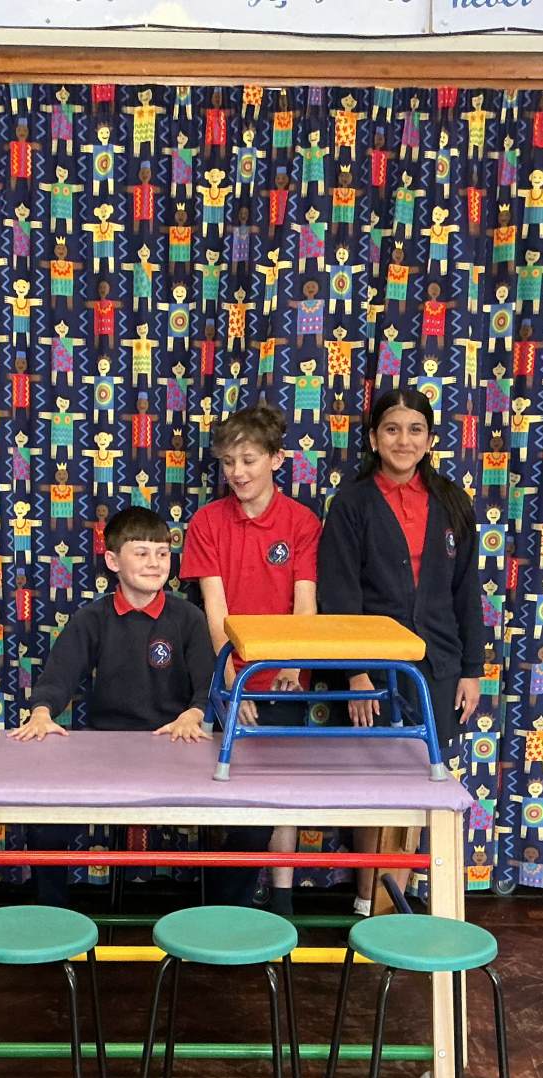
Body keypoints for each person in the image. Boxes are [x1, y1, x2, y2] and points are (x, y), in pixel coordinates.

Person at [15, 506, 258, 908]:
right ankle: (51, 916)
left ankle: (225, 916)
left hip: (178, 746)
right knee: (44, 820)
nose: (154, 563)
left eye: (162, 553)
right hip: (107, 747)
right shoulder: (92, 618)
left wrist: (194, 713)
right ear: (113, 561)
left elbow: (208, 685)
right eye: (141, 553)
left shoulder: (188, 617)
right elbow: (58, 677)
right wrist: (41, 712)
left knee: (251, 823)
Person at [318, 387, 485, 913]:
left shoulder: (451, 502)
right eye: (392, 429)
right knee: (375, 782)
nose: (403, 440)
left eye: (415, 430)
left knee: (422, 779)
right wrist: (356, 673)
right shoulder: (352, 503)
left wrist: (471, 669)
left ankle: (399, 903)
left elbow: (466, 591)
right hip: (374, 666)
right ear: (374, 438)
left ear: (430, 440)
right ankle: (369, 903)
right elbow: (339, 595)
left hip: (438, 664)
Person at [180, 404, 322, 916]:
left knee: (280, 788)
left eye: (248, 460)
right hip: (231, 672)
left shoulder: (302, 522)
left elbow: (304, 605)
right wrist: (231, 682)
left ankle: (280, 901)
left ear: (276, 459)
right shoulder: (207, 522)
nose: (237, 473)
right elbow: (215, 611)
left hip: (285, 673)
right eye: (227, 462)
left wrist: (290, 666)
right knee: (231, 789)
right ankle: (226, 910)